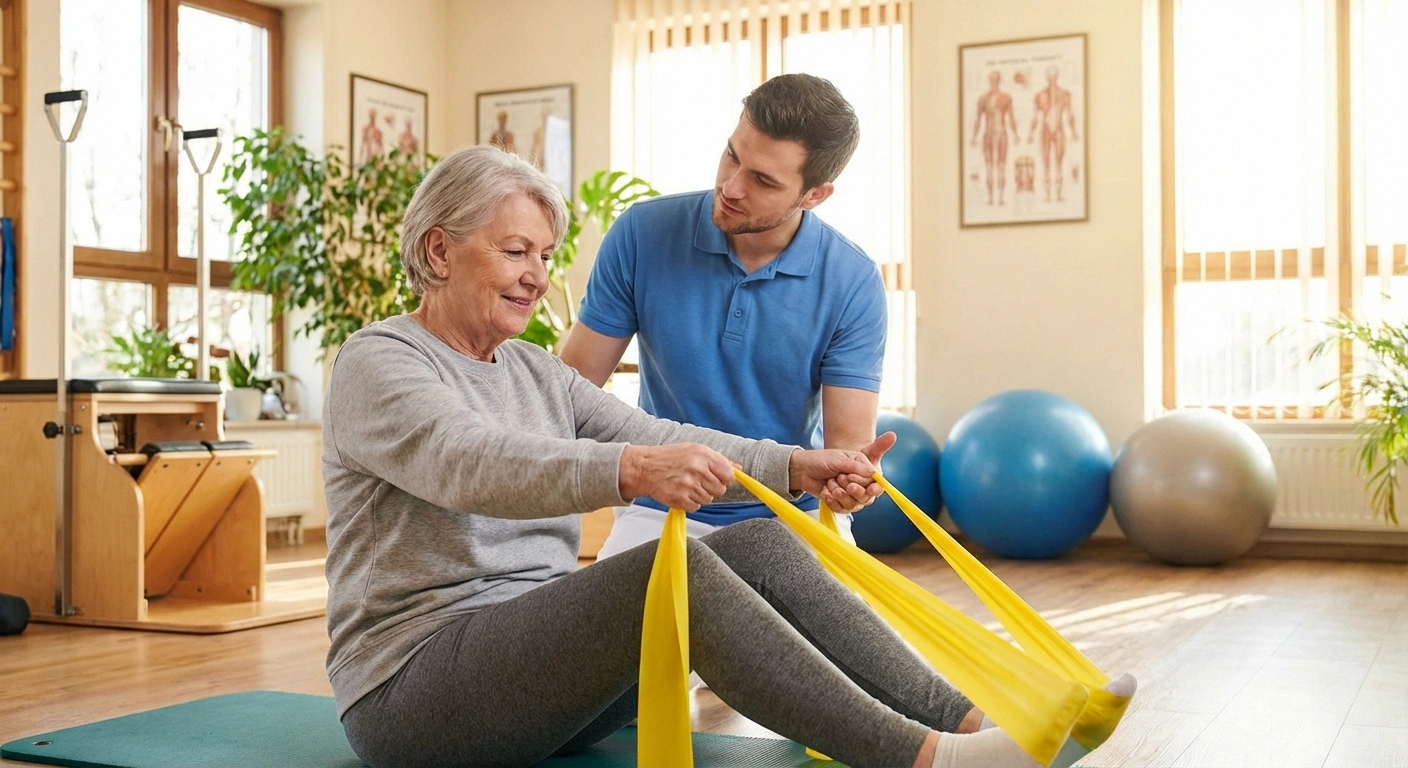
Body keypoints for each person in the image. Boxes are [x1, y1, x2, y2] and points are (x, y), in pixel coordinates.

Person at [322, 145, 1090, 768]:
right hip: (414, 695)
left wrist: (797, 466)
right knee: (678, 570)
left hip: (535, 683)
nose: (536, 276)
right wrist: (627, 472)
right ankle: (926, 761)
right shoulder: (379, 362)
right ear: (439, 249)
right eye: (515, 250)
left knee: (755, 542)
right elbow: (470, 463)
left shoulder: (533, 370)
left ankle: (969, 720)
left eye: (545, 255)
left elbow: (655, 434)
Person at [560, 74, 889, 559]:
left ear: (814, 195)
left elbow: (849, 448)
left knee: (832, 613)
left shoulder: (852, 279)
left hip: (791, 511)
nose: (731, 187)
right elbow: (570, 390)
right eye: (732, 155)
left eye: (763, 180)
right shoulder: (642, 234)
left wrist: (851, 484)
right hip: (662, 505)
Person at [1027, 66, 1080, 202]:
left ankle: (1058, 194)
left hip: (1058, 130)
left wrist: (1074, 131)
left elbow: (1070, 115)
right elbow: (1035, 117)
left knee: (1058, 162)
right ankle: (1047, 194)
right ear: (1047, 77)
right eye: (1050, 77)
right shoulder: (1040, 95)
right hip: (1046, 129)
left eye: (1053, 77)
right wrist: (1031, 133)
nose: (1051, 79)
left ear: (1056, 77)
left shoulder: (1064, 94)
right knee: (1046, 163)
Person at [970, 70, 1020, 206]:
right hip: (988, 134)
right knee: (989, 167)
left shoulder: (1006, 98)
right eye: (992, 80)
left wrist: (1015, 134)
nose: (994, 82)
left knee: (1001, 166)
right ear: (989, 81)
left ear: (999, 81)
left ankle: (1001, 197)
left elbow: (1011, 117)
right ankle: (990, 198)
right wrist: (974, 137)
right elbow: (978, 119)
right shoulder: (983, 99)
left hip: (1002, 133)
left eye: (996, 80)